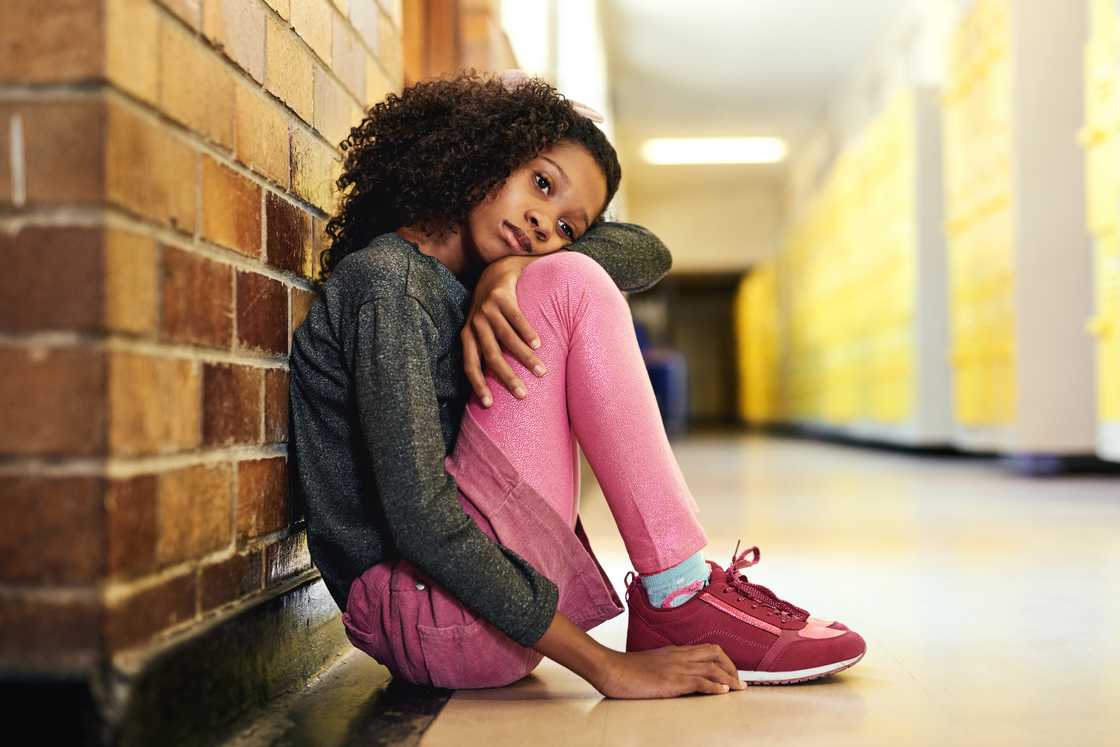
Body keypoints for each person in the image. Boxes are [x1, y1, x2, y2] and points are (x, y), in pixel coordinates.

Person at [288, 71, 865, 699]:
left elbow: (647, 253)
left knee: (567, 278)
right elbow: (419, 518)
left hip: (479, 615)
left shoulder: (468, 276)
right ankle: (680, 592)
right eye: (540, 182)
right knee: (571, 284)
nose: (543, 224)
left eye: (568, 225)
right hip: (427, 615)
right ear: (485, 152)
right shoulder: (390, 288)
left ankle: (680, 590)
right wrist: (602, 665)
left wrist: (508, 268)